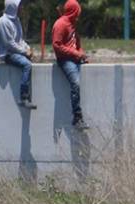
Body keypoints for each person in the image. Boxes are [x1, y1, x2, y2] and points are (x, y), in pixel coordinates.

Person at [52, 0, 88, 129]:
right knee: (75, 83)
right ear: (73, 11)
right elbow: (57, 46)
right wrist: (76, 54)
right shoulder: (60, 24)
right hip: (65, 60)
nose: (79, 15)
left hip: (74, 58)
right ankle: (77, 117)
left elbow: (77, 45)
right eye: (77, 12)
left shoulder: (72, 24)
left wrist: (81, 54)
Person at [0, 0, 35, 109]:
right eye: (19, 5)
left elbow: (19, 40)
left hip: (15, 52)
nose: (21, 8)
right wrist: (24, 52)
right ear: (12, 6)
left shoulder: (16, 20)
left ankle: (27, 96)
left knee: (29, 62)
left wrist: (28, 48)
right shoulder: (3, 22)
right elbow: (9, 44)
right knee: (27, 65)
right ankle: (24, 98)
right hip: (7, 54)